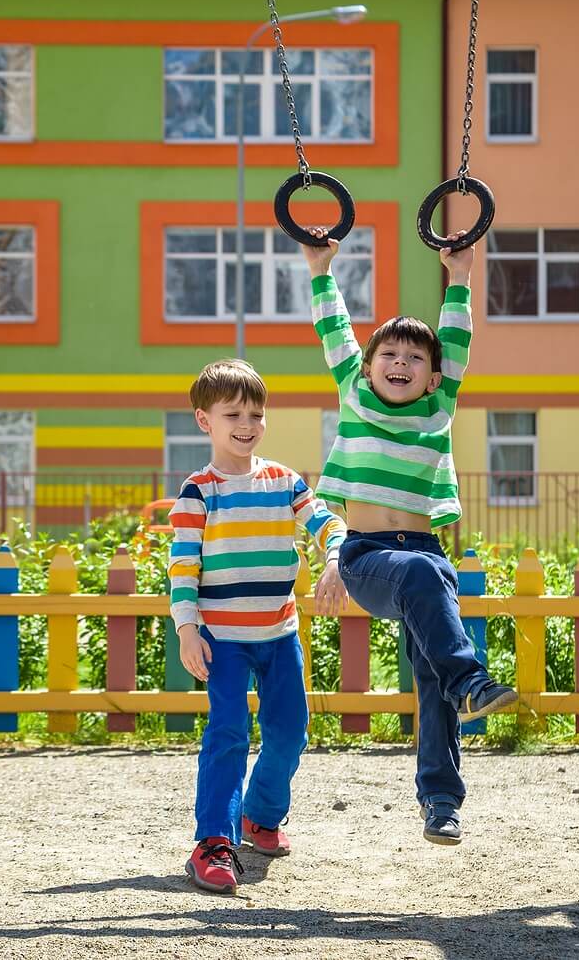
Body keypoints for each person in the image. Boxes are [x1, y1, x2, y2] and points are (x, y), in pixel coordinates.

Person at [304, 227, 516, 845]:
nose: (401, 364)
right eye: (389, 356)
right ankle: (472, 680)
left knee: (431, 673)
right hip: (367, 556)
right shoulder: (355, 396)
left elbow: (457, 340)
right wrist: (321, 269)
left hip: (425, 554)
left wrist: (460, 278)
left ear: (432, 378)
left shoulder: (437, 410)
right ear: (368, 368)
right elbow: (333, 330)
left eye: (415, 359)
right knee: (435, 608)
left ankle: (442, 804)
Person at [169, 358, 348, 893]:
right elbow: (183, 565)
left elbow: (324, 521)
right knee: (227, 735)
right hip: (221, 641)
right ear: (205, 420)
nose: (246, 424)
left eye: (255, 413)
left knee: (290, 733)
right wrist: (186, 628)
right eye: (233, 414)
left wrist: (335, 557)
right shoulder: (198, 492)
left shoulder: (284, 481)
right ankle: (213, 843)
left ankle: (260, 816)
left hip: (279, 635)